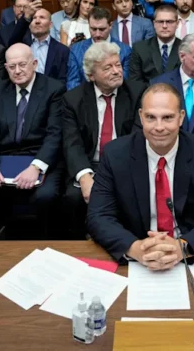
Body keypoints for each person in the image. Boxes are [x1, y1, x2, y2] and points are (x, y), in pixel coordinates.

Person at [87, 83, 194, 266]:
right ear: (141, 116)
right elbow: (98, 216)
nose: (159, 127)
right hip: (136, 257)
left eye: (167, 117)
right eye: (151, 117)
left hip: (189, 256)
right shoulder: (115, 154)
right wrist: (135, 248)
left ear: (181, 117)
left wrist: (182, 248)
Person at [0, 43, 64, 237]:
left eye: (22, 64)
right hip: (6, 156)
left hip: (39, 156)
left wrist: (36, 167)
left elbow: (55, 134)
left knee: (45, 195)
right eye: (12, 67)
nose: (17, 71)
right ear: (6, 68)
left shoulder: (54, 89)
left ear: (34, 63)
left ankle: (43, 242)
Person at [62, 42, 145, 238]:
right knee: (73, 197)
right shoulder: (73, 99)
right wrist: (84, 177)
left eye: (118, 65)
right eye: (108, 68)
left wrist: (117, 173)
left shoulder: (138, 92)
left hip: (126, 162)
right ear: (91, 75)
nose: (116, 71)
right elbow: (72, 143)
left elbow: (137, 136)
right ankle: (79, 245)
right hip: (90, 164)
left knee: (130, 193)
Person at [7, 0, 70, 84]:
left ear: (50, 25)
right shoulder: (21, 44)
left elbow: (62, 80)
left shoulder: (62, 50)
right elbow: (11, 44)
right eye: (34, 18)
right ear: (29, 24)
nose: (37, 21)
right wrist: (27, 16)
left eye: (42, 17)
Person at [66, 7, 131, 90]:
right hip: (84, 96)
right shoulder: (76, 50)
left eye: (102, 29)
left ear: (111, 25)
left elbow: (124, 83)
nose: (97, 34)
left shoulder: (125, 50)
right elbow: (73, 82)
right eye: (93, 29)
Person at [129, 4, 182, 85]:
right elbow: (135, 83)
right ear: (154, 24)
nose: (164, 26)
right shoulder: (140, 48)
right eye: (160, 22)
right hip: (148, 92)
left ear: (177, 23)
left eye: (169, 22)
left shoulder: (186, 48)